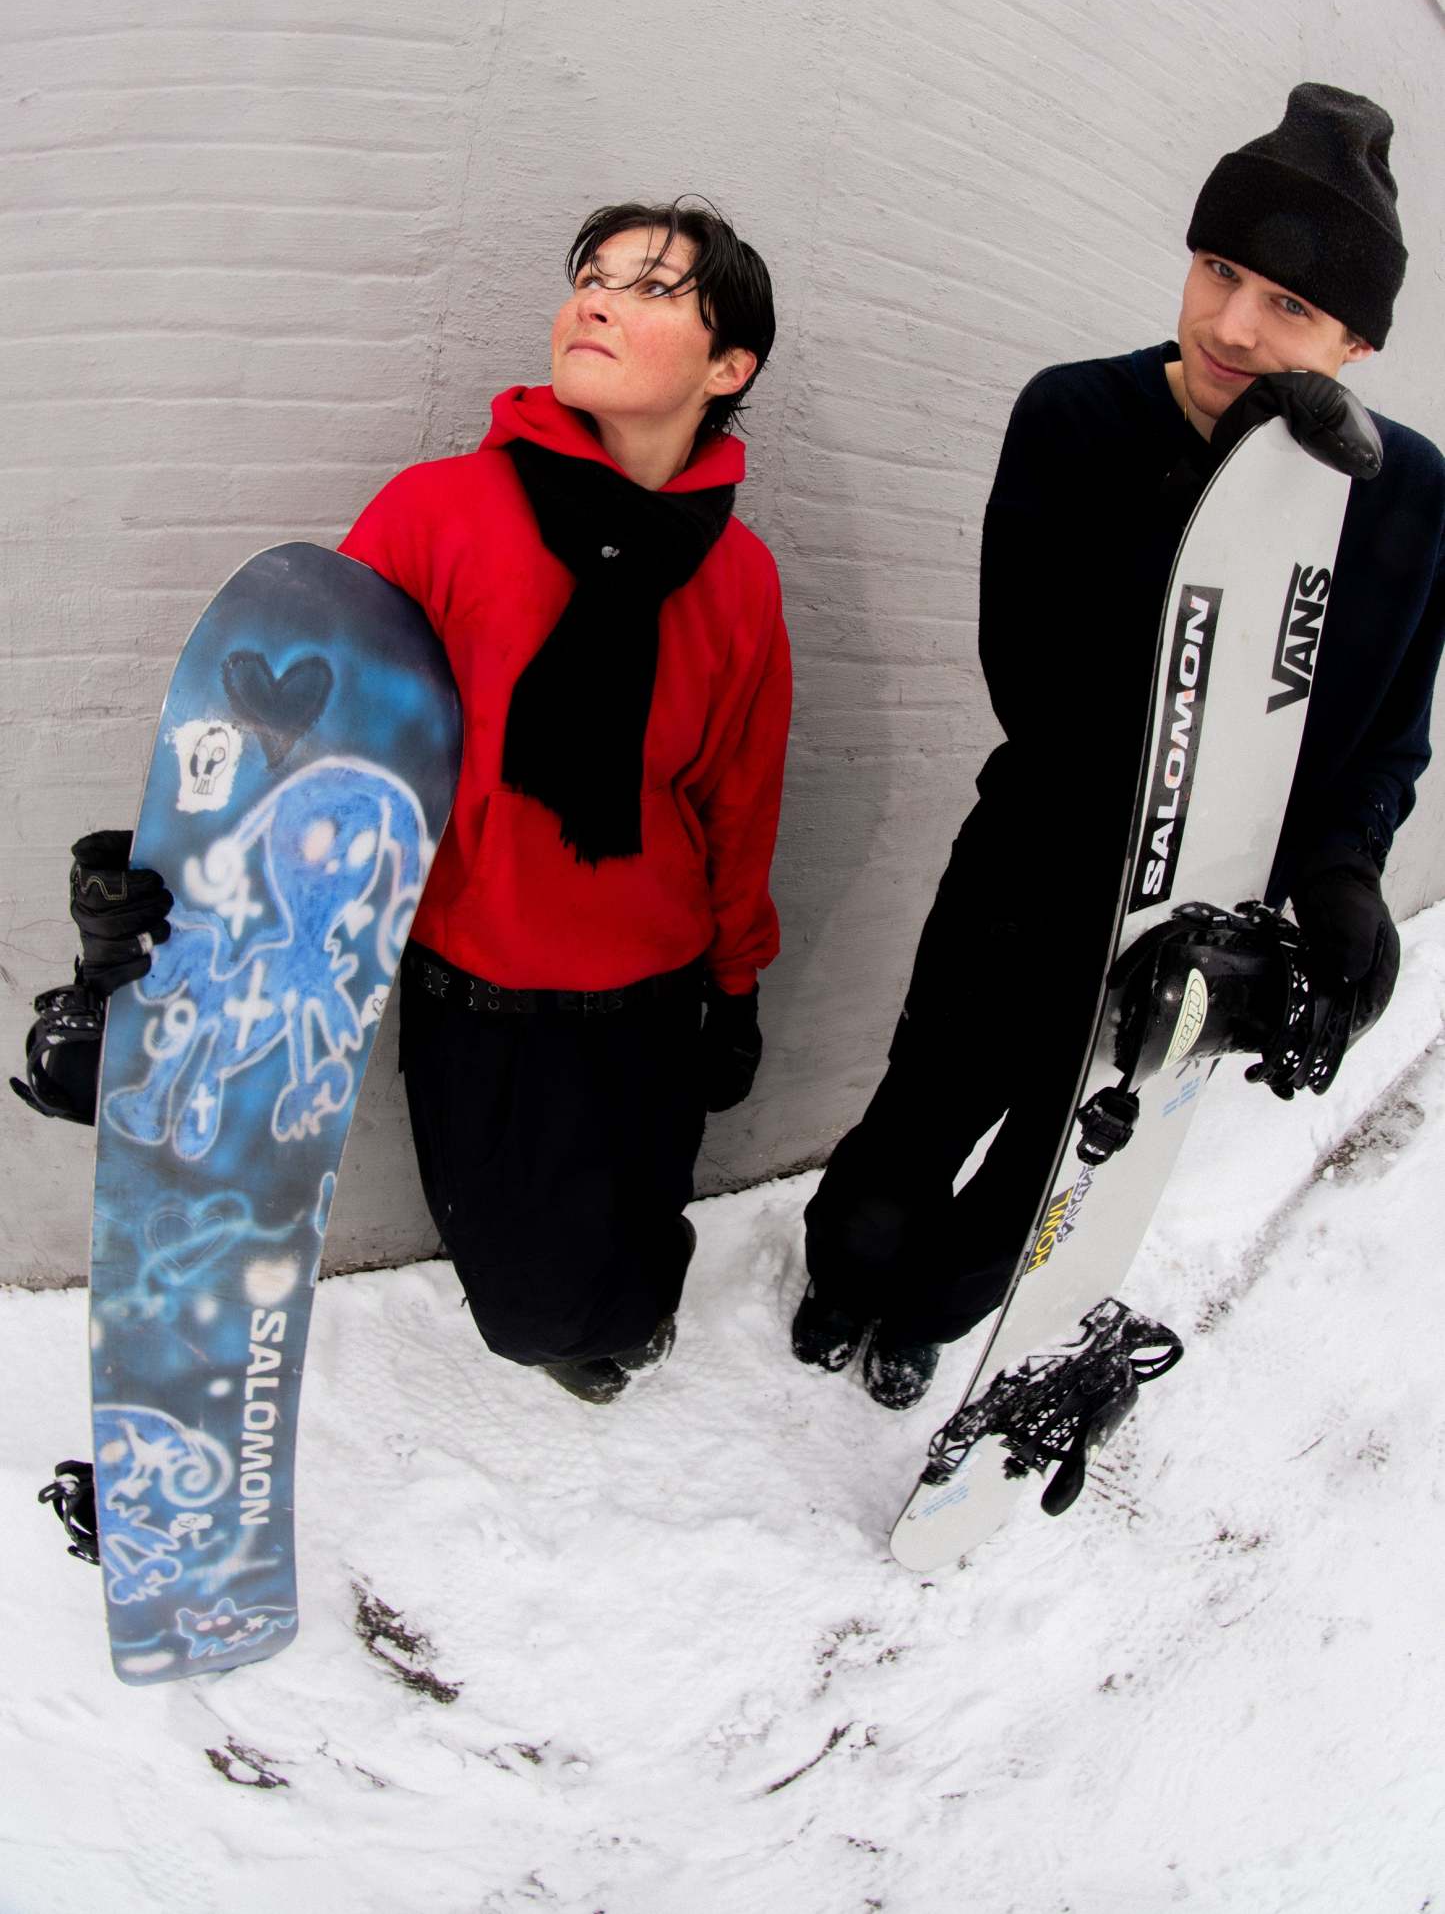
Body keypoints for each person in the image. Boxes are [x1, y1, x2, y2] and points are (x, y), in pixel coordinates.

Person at [16, 199, 792, 1407]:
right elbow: (308, 753)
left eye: (648, 286)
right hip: (480, 999)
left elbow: (737, 796)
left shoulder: (738, 573)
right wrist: (159, 925)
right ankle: (571, 1334)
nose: (592, 300)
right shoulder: (439, 514)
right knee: (527, 1296)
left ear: (726, 365)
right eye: (588, 276)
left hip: (652, 995)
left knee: (645, 1215)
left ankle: (633, 1313)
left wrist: (733, 987)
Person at [795, 81, 1445, 1411]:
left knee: (1051, 1167)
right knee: (923, 1112)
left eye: (1289, 306)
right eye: (1217, 270)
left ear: (1357, 343)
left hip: (1192, 933)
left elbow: (1386, 737)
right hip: (1031, 875)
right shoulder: (1075, 418)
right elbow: (1035, 689)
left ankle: (928, 1312)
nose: (1230, 325)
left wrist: (1342, 872)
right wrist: (1221, 497)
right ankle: (845, 1274)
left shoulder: (1411, 500)